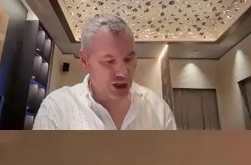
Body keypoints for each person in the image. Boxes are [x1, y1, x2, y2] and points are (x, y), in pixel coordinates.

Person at [34, 14, 175, 131]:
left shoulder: (158, 110)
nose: (122, 73)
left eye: (128, 59)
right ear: (85, 61)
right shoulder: (57, 108)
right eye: (109, 61)